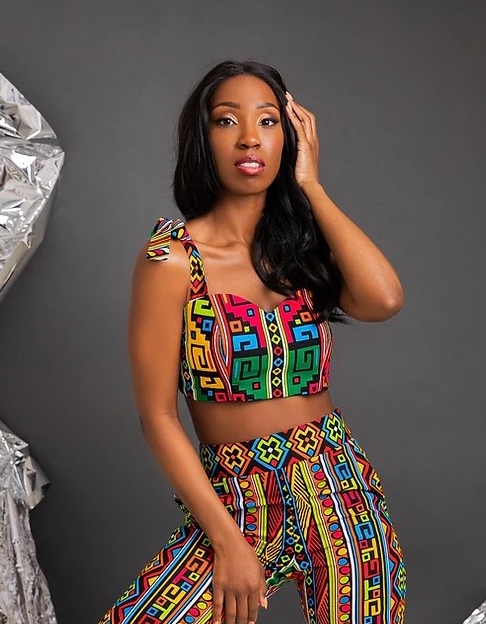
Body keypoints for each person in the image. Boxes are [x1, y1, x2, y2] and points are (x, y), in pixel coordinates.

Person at [97, 59, 407, 624]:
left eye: (268, 121)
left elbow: (384, 299)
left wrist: (311, 185)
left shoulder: (301, 251)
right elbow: (157, 416)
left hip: (339, 488)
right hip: (236, 497)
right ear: (203, 138)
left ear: (289, 138)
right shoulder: (171, 260)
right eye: (226, 120)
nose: (248, 138)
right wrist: (228, 542)